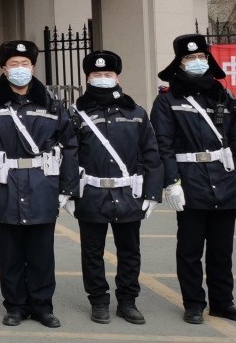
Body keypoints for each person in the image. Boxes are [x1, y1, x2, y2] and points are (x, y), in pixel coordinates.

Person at [151, 34, 236, 325]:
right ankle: (194, 303)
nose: (197, 62)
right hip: (190, 181)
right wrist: (171, 183)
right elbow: (163, 144)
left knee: (222, 249)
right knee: (190, 249)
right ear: (180, 63)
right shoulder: (167, 100)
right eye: (190, 58)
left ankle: (223, 303)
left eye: (201, 57)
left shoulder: (223, 96)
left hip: (227, 179)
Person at [0, 40, 78, 328]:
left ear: (33, 67)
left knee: (41, 254)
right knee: (9, 253)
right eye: (14, 64)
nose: (20, 69)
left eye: (25, 64)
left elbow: (70, 145)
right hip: (2, 186)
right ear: (3, 69)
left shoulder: (51, 103)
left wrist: (67, 189)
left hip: (42, 186)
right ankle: (15, 306)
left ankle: (43, 307)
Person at [68, 50, 162, 325]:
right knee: (92, 253)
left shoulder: (136, 113)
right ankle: (98, 301)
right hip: (91, 193)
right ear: (88, 78)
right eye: (97, 74)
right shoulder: (76, 114)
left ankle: (127, 302)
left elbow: (151, 153)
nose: (103, 78)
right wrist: (69, 192)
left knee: (129, 252)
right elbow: (69, 155)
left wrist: (153, 193)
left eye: (107, 74)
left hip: (128, 193)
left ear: (117, 77)